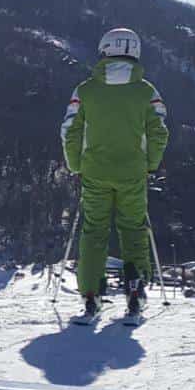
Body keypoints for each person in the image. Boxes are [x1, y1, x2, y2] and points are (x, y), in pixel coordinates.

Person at [60, 27, 169, 322]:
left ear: (104, 50)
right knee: (133, 228)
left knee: (94, 230)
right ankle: (135, 290)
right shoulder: (147, 91)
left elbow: (70, 131)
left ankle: (92, 295)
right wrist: (151, 164)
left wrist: (75, 164)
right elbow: (159, 132)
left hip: (95, 172)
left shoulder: (85, 90)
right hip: (133, 172)